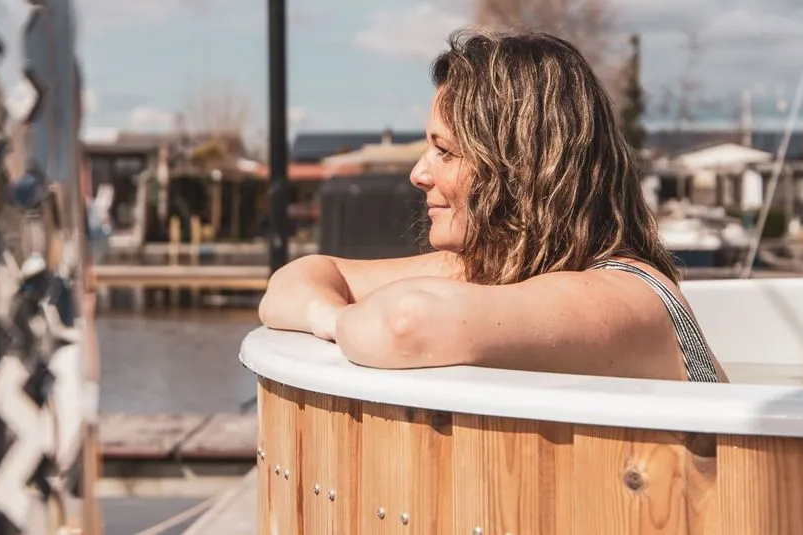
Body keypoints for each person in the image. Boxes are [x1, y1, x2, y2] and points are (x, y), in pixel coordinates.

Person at [259, 28, 726, 382]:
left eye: (445, 151)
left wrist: (334, 320)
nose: (418, 174)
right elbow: (292, 282)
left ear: (519, 167)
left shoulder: (626, 297)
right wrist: (332, 319)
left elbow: (405, 325)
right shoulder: (493, 270)